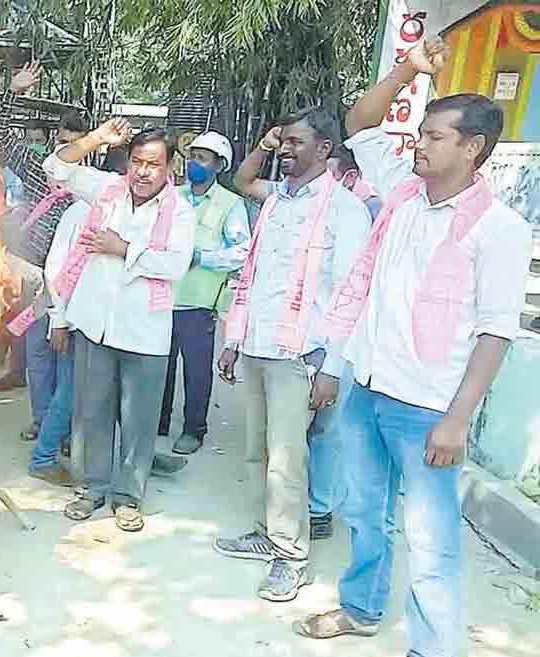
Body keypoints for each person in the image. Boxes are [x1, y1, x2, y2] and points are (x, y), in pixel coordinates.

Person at [293, 39, 530, 657]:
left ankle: (431, 656)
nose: (418, 145)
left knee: (430, 538)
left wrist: (457, 420)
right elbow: (360, 123)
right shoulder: (401, 193)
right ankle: (363, 609)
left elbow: (495, 333)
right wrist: (408, 70)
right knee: (364, 512)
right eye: (420, 134)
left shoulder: (498, 230)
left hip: (427, 406)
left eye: (432, 136)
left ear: (471, 147)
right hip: (367, 386)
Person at [216, 108, 373, 602]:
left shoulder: (344, 210)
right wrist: (233, 340)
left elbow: (352, 295)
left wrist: (332, 369)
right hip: (258, 347)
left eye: (296, 143)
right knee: (257, 450)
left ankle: (291, 556)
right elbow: (254, 275)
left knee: (288, 459)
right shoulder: (277, 203)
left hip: (300, 357)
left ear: (325, 149)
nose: (285, 150)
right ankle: (269, 533)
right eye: (283, 142)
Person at [43, 120, 195, 532]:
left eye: (154, 165)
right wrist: (95, 140)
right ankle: (91, 487)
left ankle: (128, 496)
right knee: (91, 411)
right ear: (128, 162)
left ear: (169, 170)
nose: (144, 172)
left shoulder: (180, 210)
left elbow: (175, 264)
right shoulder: (107, 190)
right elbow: (56, 168)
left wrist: (122, 248)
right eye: (138, 162)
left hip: (144, 331)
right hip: (95, 323)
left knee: (139, 418)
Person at [0, 63, 90, 443]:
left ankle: (64, 431)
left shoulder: (95, 186)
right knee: (37, 356)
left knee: (68, 359)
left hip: (75, 285)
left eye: (76, 144)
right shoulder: (37, 168)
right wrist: (13, 92)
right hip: (33, 278)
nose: (68, 152)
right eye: (62, 143)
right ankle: (43, 421)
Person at [305, 142, 385, 540]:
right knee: (300, 431)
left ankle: (319, 508)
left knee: (327, 429)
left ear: (348, 177)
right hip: (303, 338)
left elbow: (350, 292)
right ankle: (299, 503)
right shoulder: (305, 209)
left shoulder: (356, 213)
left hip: (337, 340)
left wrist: (332, 363)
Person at [157, 131, 251, 455]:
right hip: (162, 295)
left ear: (219, 166)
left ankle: (194, 429)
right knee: (160, 365)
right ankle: (159, 422)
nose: (194, 163)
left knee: (196, 371)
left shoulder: (231, 204)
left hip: (199, 301)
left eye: (203, 158)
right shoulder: (172, 196)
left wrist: (201, 256)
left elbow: (242, 252)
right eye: (192, 156)